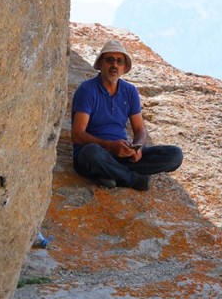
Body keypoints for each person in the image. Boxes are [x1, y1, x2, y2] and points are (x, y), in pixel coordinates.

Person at [71, 40, 183, 191]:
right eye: (109, 59)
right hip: (97, 153)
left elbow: (140, 130)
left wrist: (138, 148)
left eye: (119, 61)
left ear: (124, 67)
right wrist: (109, 146)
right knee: (90, 154)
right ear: (101, 64)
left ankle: (112, 174)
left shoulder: (130, 91)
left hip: (123, 154)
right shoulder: (87, 90)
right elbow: (77, 135)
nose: (114, 65)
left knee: (174, 155)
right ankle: (133, 179)